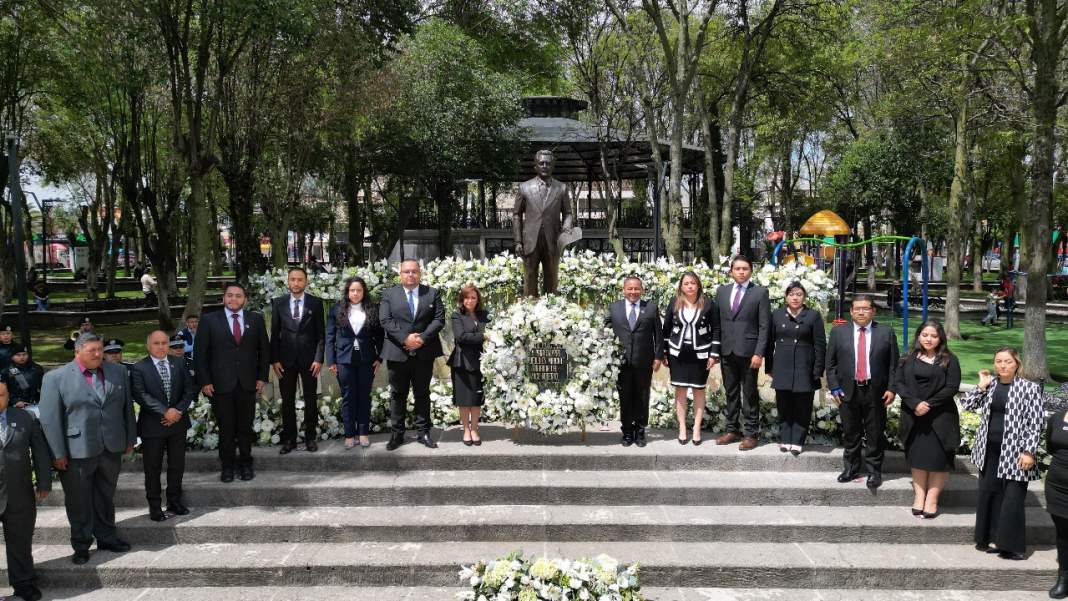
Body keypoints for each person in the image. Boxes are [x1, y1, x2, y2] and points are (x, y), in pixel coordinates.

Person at [39, 333, 136, 565]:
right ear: (77, 351)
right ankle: (81, 544)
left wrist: (130, 438)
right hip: (76, 451)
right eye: (92, 350)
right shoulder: (56, 378)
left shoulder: (118, 372)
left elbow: (127, 408)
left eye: (100, 350)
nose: (97, 354)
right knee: (78, 500)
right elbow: (50, 420)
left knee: (105, 495)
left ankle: (107, 537)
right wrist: (58, 453)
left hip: (110, 446)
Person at [960, 347, 1043, 560]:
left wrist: (1029, 451)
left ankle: (1013, 547)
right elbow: (966, 405)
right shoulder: (991, 385)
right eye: (998, 361)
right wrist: (981, 385)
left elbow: (1035, 423)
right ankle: (994, 539)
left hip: (1015, 453)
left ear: (1017, 364)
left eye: (1007, 361)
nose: (1003, 365)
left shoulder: (1029, 388)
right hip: (988, 452)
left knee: (1012, 499)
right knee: (991, 496)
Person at [194, 283, 270, 482]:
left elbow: (264, 351)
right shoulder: (209, 321)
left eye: (238, 296)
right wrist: (205, 381)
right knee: (226, 428)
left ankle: (246, 464)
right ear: (223, 298)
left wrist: (262, 377)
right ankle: (227, 467)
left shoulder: (256, 319)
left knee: (245, 428)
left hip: (247, 384)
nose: (233, 299)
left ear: (245, 299)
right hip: (220, 385)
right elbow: (200, 355)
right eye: (230, 295)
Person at [826, 294, 898, 490]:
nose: (861, 311)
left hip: (876, 392)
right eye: (857, 308)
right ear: (851, 311)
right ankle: (851, 468)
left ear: (873, 311)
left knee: (875, 433)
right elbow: (830, 364)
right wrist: (834, 387)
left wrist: (892, 388)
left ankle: (874, 472)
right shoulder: (839, 332)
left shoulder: (886, 332)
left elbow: (894, 365)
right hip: (847, 391)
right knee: (851, 433)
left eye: (865, 308)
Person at [891, 320, 961, 519]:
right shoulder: (907, 358)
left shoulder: (949, 359)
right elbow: (899, 383)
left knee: (939, 460)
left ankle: (932, 499)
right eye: (925, 335)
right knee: (918, 459)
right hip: (914, 418)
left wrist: (928, 404)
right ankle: (919, 497)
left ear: (940, 339)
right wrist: (914, 404)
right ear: (919, 336)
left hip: (940, 417)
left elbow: (952, 386)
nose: (929, 339)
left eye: (934, 336)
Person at [379, 259, 445, 451]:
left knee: (422, 393)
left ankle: (423, 432)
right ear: (400, 274)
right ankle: (397, 434)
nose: (410, 275)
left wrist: (422, 339)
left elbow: (439, 318)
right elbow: (385, 319)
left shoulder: (431, 293)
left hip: (424, 352)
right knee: (397, 394)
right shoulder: (389, 294)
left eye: (414, 271)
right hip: (397, 352)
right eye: (406, 272)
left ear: (420, 273)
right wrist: (405, 339)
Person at [131, 331, 197, 522]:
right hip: (153, 426)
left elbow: (189, 389)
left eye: (164, 343)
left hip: (177, 423)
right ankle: (154, 506)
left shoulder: (178, 363)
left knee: (177, 465)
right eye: (156, 343)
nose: (161, 347)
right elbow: (141, 395)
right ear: (148, 346)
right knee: (153, 468)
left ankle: (174, 501)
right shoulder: (139, 368)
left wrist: (177, 411)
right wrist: (164, 412)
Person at [0, 380, 51, 601]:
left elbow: (39, 451)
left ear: (8, 395)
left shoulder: (24, 418)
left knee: (20, 541)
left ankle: (23, 583)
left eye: (1, 395)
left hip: (18, 492)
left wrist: (44, 482)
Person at [714, 255, 770, 451]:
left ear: (750, 271)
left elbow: (764, 326)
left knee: (750, 393)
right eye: (737, 268)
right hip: (727, 351)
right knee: (730, 392)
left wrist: (759, 353)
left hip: (749, 353)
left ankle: (751, 434)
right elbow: (717, 324)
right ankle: (731, 430)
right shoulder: (722, 292)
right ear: (731, 271)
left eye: (745, 268)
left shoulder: (760, 293)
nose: (741, 272)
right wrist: (715, 351)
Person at [765, 282, 825, 456]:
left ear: (804, 297)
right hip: (782, 366)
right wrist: (769, 366)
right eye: (791, 294)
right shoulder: (777, 315)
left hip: (804, 366)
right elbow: (769, 344)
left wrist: (817, 369)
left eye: (799, 294)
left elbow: (820, 345)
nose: (795, 297)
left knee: (802, 406)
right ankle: (784, 439)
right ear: (786, 297)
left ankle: (797, 441)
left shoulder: (813, 316)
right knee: (783, 404)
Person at [270, 267, 326, 454]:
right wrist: (275, 360)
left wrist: (319, 359)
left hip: (309, 361)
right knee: (287, 401)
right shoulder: (278, 303)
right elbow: (275, 335)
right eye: (292, 279)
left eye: (300, 279)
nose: (296, 283)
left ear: (306, 281)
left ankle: (310, 438)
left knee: (310, 400)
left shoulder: (316, 303)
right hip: (285, 361)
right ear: (288, 281)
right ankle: (289, 439)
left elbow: (321, 335)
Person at [662, 271, 719, 445]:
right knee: (680, 392)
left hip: (700, 353)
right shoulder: (674, 302)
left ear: (698, 285)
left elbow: (716, 329)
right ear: (681, 286)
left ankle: (696, 428)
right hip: (677, 353)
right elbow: (667, 328)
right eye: (686, 283)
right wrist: (664, 352)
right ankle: (682, 428)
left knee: (698, 391)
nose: (690, 286)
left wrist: (714, 353)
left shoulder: (708, 303)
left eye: (693, 283)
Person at [326, 277, 383, 449]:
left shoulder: (373, 309)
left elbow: (380, 336)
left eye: (359, 290)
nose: (355, 293)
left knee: (364, 396)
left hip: (367, 359)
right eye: (352, 290)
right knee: (348, 397)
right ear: (347, 292)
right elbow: (329, 337)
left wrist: (379, 358)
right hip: (344, 360)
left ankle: (363, 433)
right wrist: (331, 361)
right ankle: (350, 434)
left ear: (364, 292)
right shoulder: (337, 310)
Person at [606, 276, 663, 448]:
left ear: (642, 290)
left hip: (644, 362)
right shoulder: (614, 307)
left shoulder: (651, 308)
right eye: (629, 289)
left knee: (642, 397)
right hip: (621, 363)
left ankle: (640, 431)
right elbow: (605, 330)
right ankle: (627, 432)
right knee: (625, 398)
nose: (633, 292)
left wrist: (659, 356)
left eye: (636, 289)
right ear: (623, 290)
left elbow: (658, 335)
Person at [512, 149, 575, 297]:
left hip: (553, 241)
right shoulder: (524, 187)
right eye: (541, 163)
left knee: (552, 279)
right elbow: (516, 215)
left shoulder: (562, 188)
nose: (545, 166)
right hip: (530, 241)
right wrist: (518, 241)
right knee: (529, 277)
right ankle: (529, 311)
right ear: (536, 166)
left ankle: (551, 311)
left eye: (548, 163)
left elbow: (568, 213)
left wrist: (566, 230)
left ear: (553, 166)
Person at [449, 285, 490, 447]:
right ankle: (466, 429)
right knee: (464, 399)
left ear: (478, 299)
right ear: (461, 299)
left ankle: (474, 429)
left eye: (473, 297)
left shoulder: (485, 315)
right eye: (467, 297)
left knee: (476, 398)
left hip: (482, 362)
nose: (470, 301)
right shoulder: (457, 315)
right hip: (462, 362)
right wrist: (483, 336)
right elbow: (461, 337)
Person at [1045, 402, 1068, 597]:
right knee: (1063, 533)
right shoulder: (1057, 418)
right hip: (1057, 489)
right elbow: (1050, 447)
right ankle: (1064, 577)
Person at [5, 344, 43, 413]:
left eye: (24, 354)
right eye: (18, 355)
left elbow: (43, 386)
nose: (22, 357)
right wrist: (15, 401)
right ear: (12, 356)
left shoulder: (37, 368)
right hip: (16, 407)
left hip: (37, 404)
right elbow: (3, 391)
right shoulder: (6, 371)